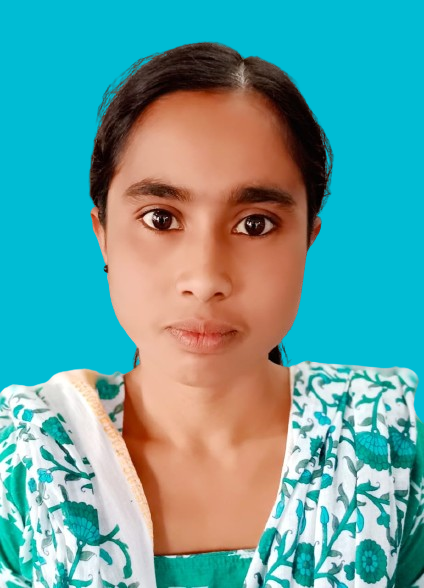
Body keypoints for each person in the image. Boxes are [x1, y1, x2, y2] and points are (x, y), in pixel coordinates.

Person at [0, 41, 423, 588]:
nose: (205, 279)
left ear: (308, 238)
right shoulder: (25, 461)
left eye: (255, 224)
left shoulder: (388, 455)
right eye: (160, 218)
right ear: (102, 234)